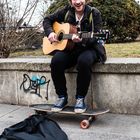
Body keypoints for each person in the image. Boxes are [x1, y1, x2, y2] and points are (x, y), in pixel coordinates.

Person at [43, 0, 106, 113]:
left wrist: (83, 39)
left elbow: (96, 35)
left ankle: (80, 98)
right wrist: (50, 33)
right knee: (56, 61)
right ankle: (62, 97)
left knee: (84, 61)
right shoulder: (66, 11)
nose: (77, 2)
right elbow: (47, 20)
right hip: (71, 48)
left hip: (89, 48)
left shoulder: (94, 13)